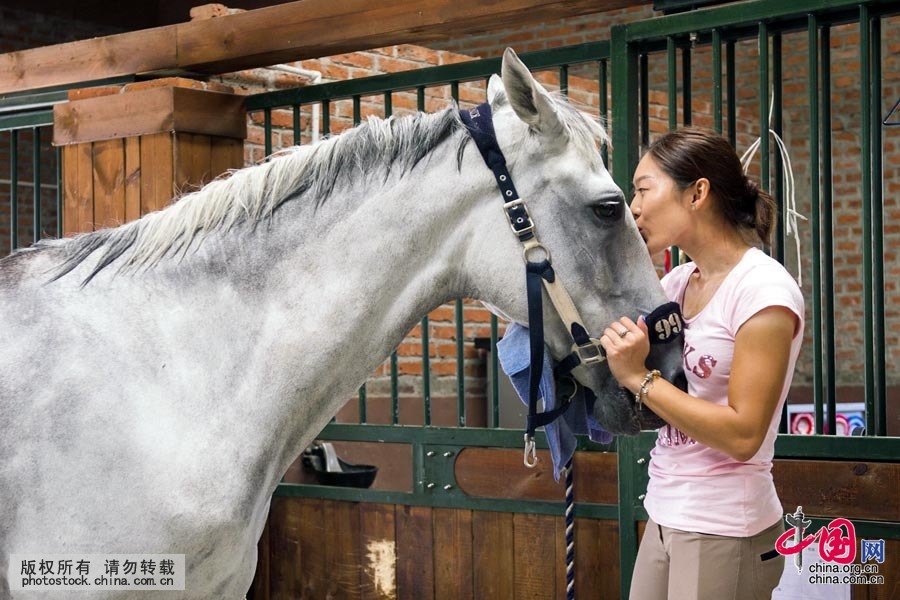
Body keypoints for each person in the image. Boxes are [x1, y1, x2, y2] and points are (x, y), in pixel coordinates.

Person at [599, 128, 805, 600]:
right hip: (664, 511)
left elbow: (743, 435)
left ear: (697, 193)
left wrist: (638, 376)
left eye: (643, 189)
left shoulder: (762, 293)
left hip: (725, 523)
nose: (633, 206)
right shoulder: (674, 285)